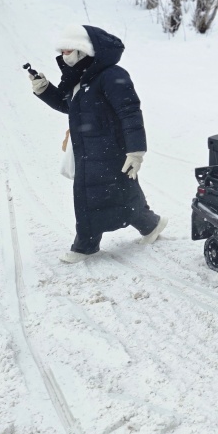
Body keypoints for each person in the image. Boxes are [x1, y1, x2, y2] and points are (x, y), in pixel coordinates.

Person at [29, 24, 167, 263]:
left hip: (110, 151)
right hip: (88, 150)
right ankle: (151, 224)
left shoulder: (112, 75)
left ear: (83, 49)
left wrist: (136, 152)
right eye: (62, 52)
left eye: (68, 51)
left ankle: (85, 246)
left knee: (90, 196)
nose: (64, 56)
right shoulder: (81, 77)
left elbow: (130, 112)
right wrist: (44, 89)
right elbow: (70, 107)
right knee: (123, 194)